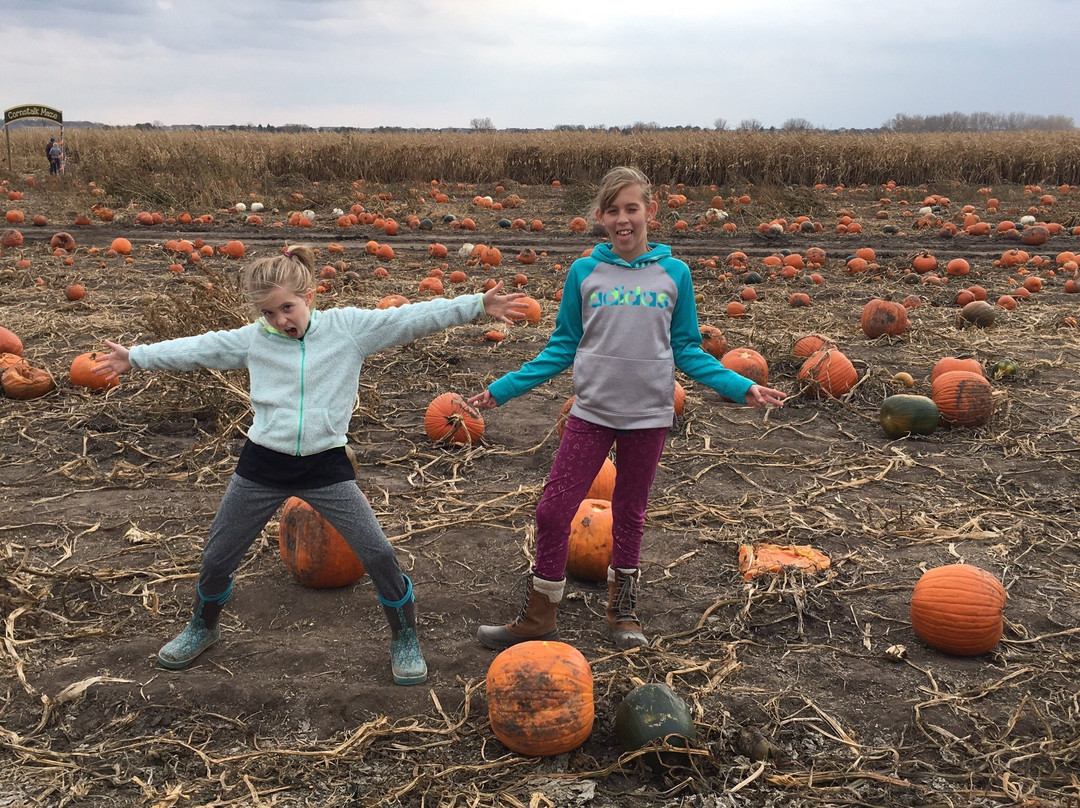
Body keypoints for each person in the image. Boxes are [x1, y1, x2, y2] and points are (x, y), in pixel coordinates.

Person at [92, 245, 529, 685]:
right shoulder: (253, 340)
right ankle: (203, 626)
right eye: (269, 313)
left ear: (309, 296)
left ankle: (404, 636)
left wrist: (475, 305)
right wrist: (137, 356)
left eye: (287, 307)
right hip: (263, 463)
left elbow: (409, 318)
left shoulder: (348, 330)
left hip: (325, 465)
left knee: (376, 552)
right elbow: (198, 349)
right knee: (218, 554)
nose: (281, 320)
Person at [468, 166, 787, 652]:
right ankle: (540, 612)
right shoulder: (585, 273)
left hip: (648, 418)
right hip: (591, 414)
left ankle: (623, 611)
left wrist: (742, 387)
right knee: (553, 511)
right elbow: (560, 348)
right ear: (600, 217)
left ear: (650, 213)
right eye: (613, 210)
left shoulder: (674, 274)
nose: (623, 219)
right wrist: (503, 389)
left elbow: (687, 349)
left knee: (630, 514)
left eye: (631, 209)